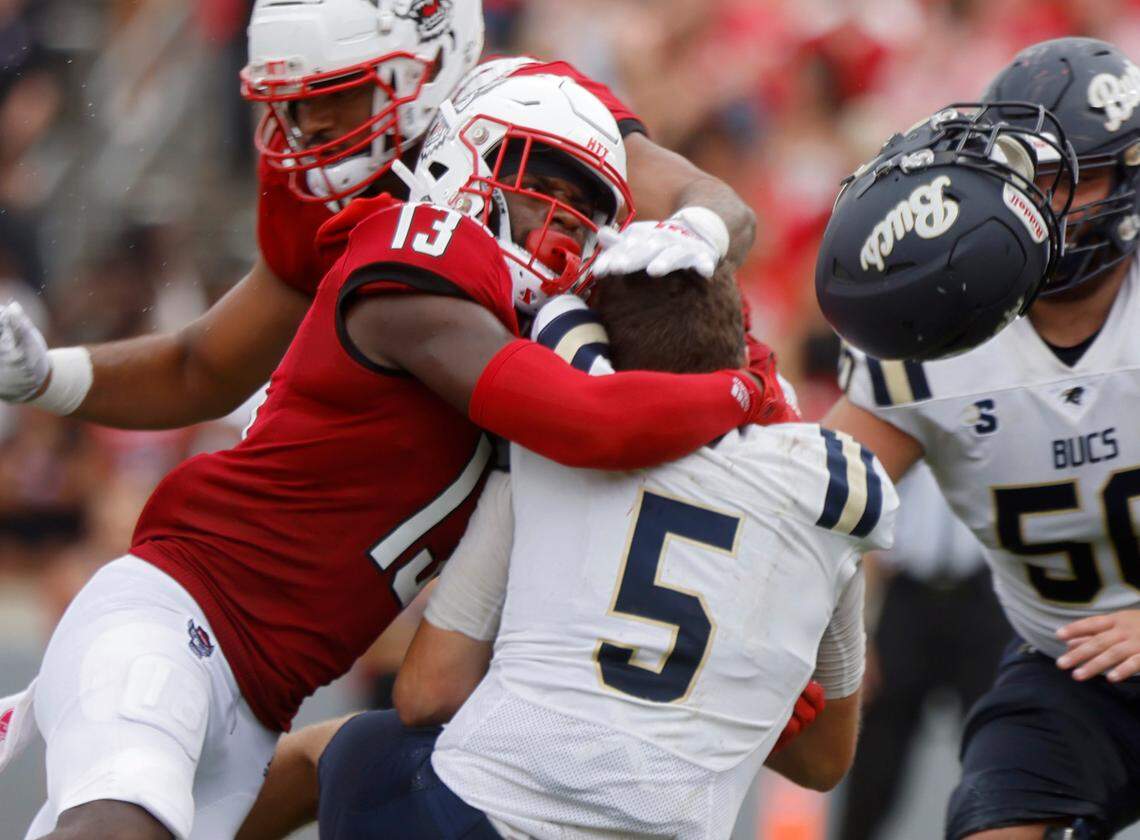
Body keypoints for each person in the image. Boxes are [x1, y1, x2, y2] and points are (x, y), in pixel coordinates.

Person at [7, 74, 791, 840]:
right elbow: (589, 420)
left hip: (257, 703)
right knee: (121, 818)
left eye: (587, 207)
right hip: (178, 616)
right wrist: (740, 391)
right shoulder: (420, 254)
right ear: (463, 164)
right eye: (540, 182)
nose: (564, 221)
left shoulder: (515, 334)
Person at [242, 268, 898, 840]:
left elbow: (426, 693)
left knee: (345, 749)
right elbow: (823, 763)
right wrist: (741, 704)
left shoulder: (547, 447)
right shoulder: (828, 497)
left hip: (478, 818)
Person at [0, 0, 765, 430]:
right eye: (293, 101)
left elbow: (716, 202)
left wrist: (694, 232)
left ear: (426, 62)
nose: (312, 128)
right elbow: (206, 366)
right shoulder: (314, 181)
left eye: (337, 92)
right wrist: (49, 378)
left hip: (613, 426)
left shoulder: (527, 109)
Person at [822, 37, 1140, 839]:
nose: (1047, 204)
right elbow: (818, 499)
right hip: (1067, 670)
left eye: (1079, 177)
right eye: (1030, 176)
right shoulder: (941, 317)